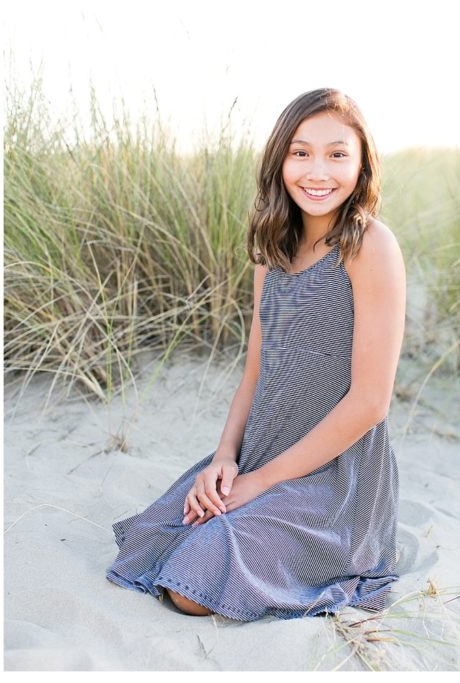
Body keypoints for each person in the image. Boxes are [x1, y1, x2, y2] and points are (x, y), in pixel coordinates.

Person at [107, 88, 406, 621]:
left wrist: (259, 483)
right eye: (300, 152)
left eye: (338, 154)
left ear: (362, 164)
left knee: (192, 590)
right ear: (279, 161)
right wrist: (226, 458)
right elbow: (255, 370)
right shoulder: (272, 251)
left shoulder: (370, 246)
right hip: (264, 446)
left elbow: (370, 403)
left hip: (336, 475)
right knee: (157, 540)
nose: (318, 171)